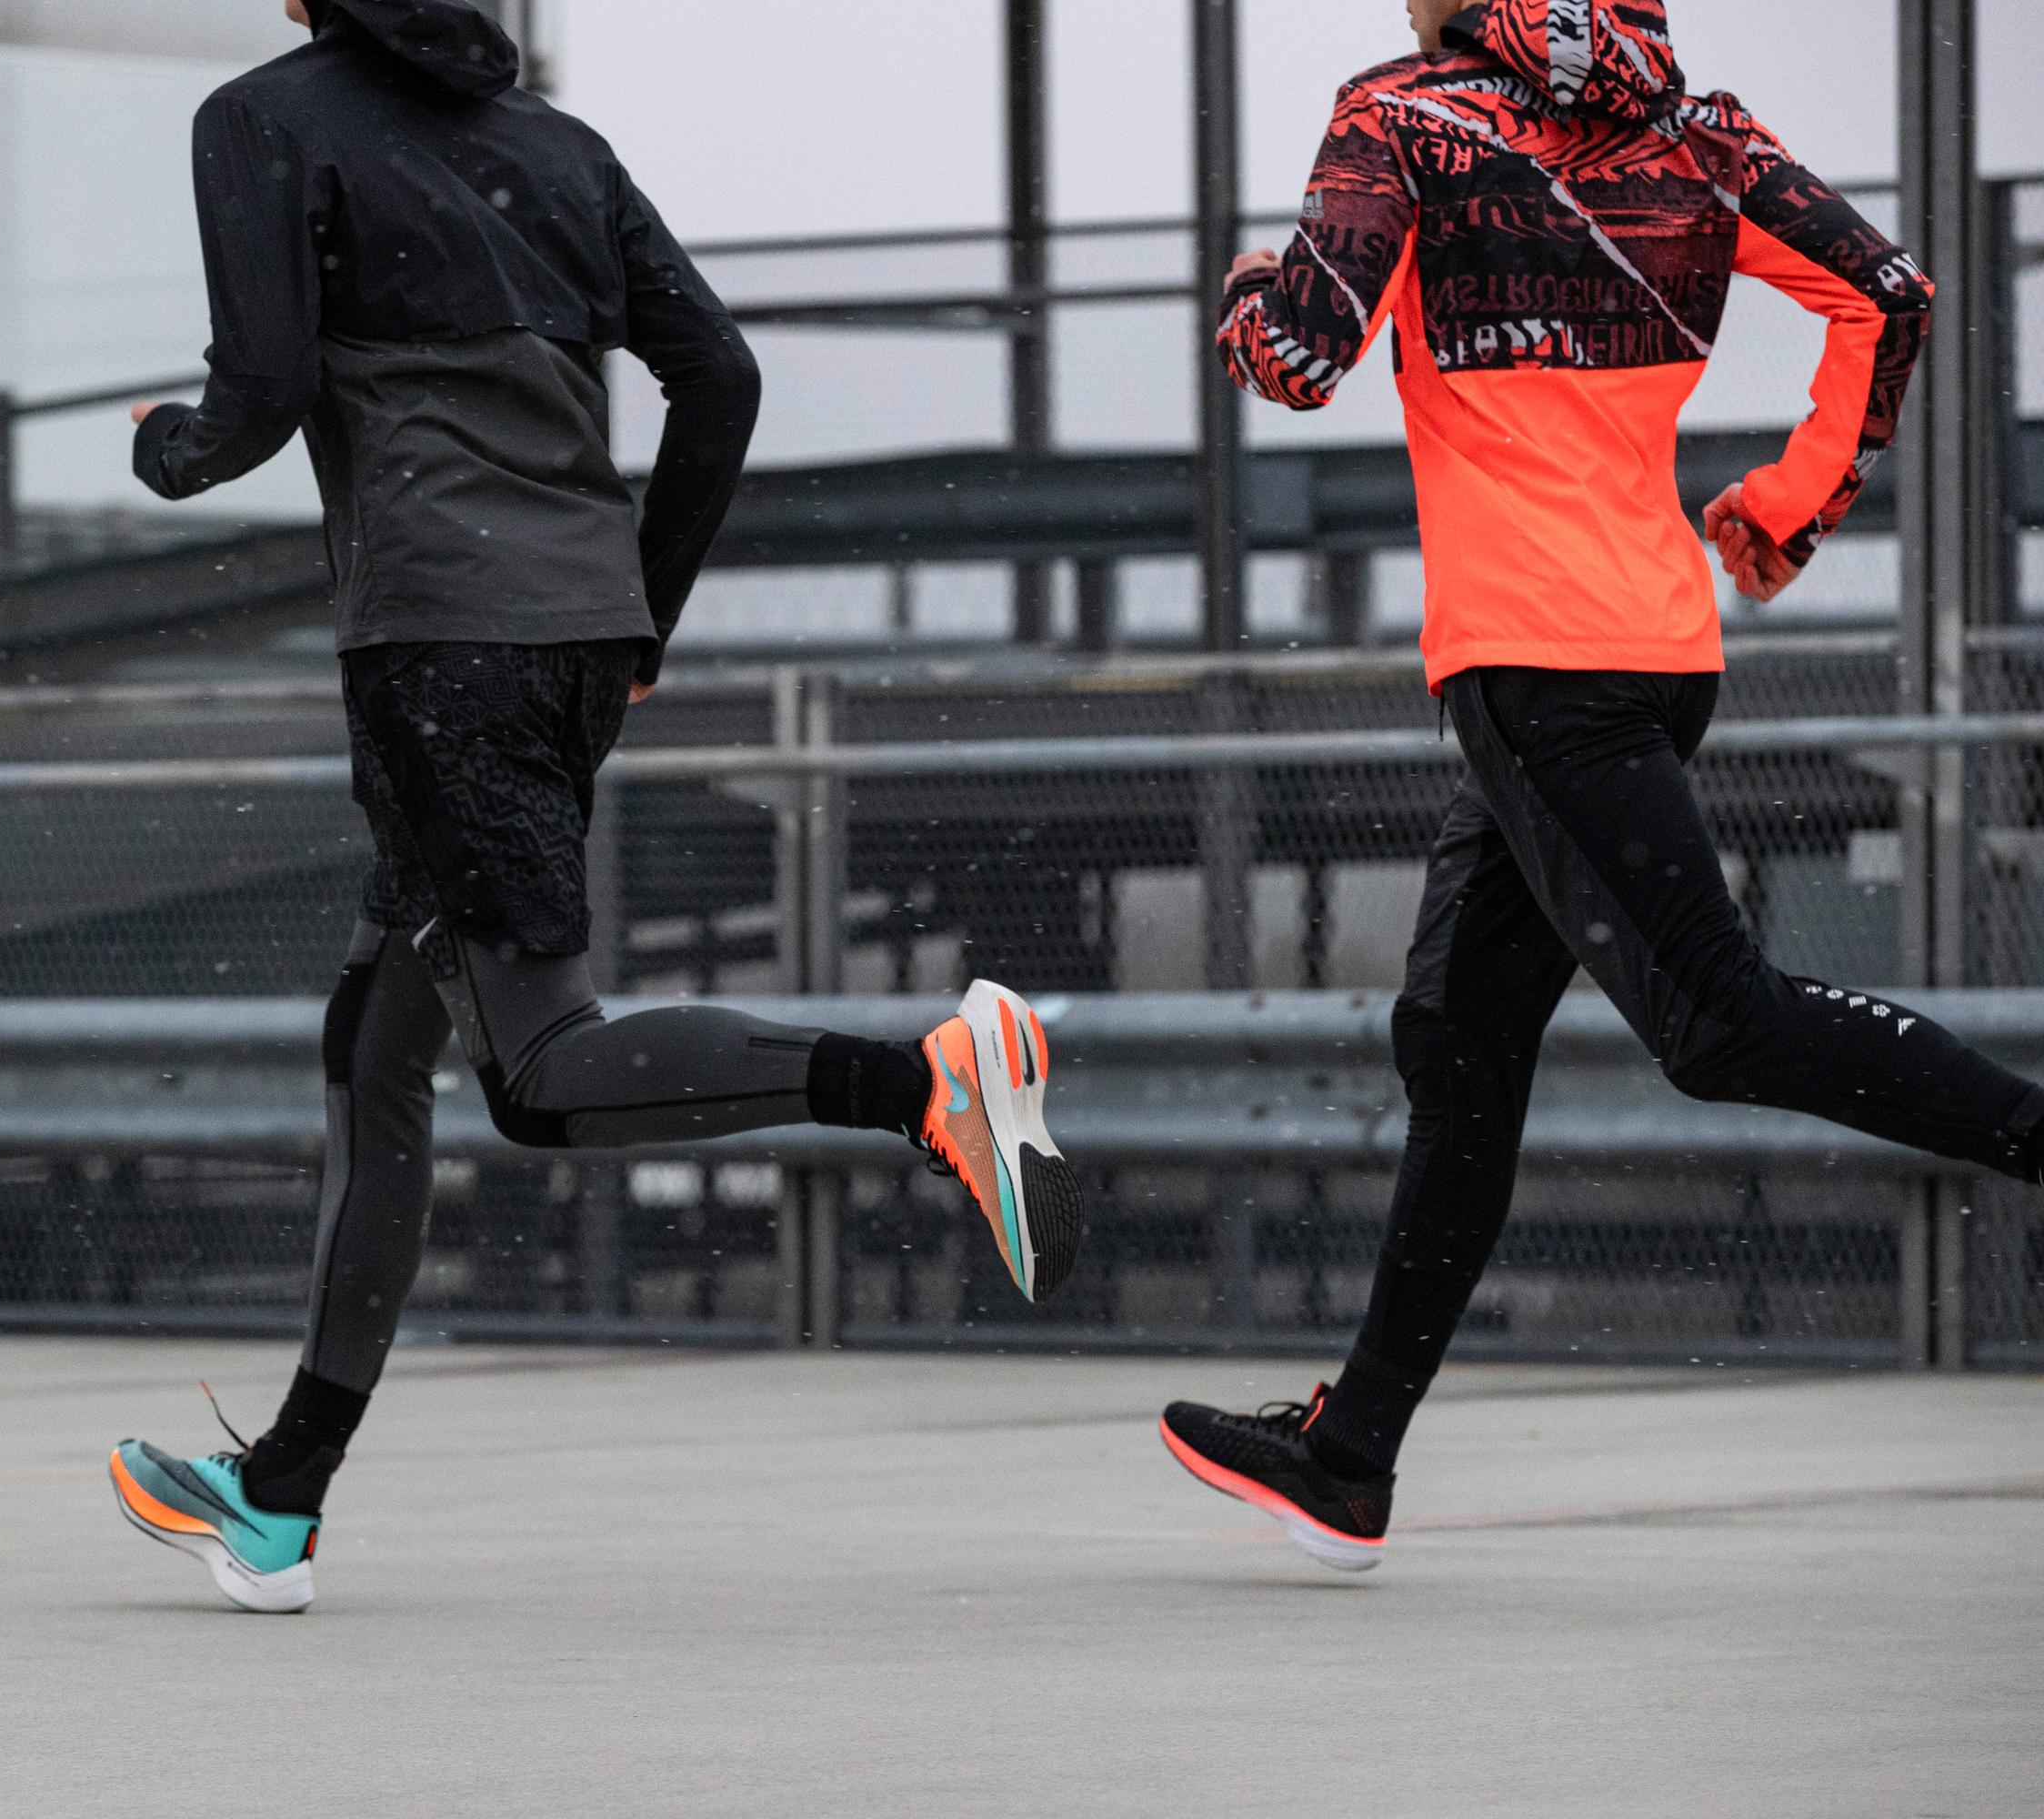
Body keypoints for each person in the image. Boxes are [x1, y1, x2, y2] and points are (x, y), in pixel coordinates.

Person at [105, 0, 1082, 1613]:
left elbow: (265, 386)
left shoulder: (262, 120)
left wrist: (172, 449)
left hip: (439, 639)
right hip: (565, 637)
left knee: (545, 1076)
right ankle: (279, 1494)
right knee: (378, 1039)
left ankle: (925, 1083)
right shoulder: (556, 149)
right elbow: (722, 376)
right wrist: (646, 612)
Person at [1158, 0, 2044, 1573]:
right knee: (1456, 1032)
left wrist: (1241, 288)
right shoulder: (1696, 133)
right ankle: (1350, 1453)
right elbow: (1887, 297)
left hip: (1533, 662)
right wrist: (1788, 504)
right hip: (1651, 648)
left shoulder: (1407, 116)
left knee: (1719, 1024)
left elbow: (1293, 358)